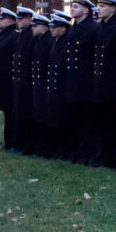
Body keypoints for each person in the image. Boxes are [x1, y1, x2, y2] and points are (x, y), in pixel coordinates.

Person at [91, 0, 116, 168]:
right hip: (101, 83)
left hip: (113, 84)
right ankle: (102, 155)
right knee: (102, 122)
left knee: (113, 123)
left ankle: (113, 157)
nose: (99, 9)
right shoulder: (102, 28)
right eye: (99, 6)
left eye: (103, 6)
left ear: (112, 9)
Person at [65, 0, 100, 164]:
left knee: (87, 121)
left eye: (76, 7)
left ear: (86, 10)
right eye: (72, 6)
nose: (72, 9)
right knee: (76, 118)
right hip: (74, 81)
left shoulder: (92, 29)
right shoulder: (74, 28)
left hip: (86, 81)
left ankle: (88, 153)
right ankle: (78, 150)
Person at [0, 7, 19, 149]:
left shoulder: (14, 36)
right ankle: (8, 140)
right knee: (6, 112)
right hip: (1, 80)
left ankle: (12, 141)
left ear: (11, 20)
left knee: (11, 112)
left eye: (2, 18)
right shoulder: (2, 35)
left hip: (9, 80)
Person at [44, 14, 73, 159]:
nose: (51, 29)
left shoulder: (66, 42)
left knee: (62, 119)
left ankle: (63, 150)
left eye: (54, 27)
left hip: (62, 86)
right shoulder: (56, 42)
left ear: (63, 28)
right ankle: (56, 148)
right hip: (54, 86)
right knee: (54, 117)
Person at [11, 6, 37, 153]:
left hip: (26, 80)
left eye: (21, 19)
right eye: (17, 19)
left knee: (26, 113)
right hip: (19, 81)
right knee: (18, 112)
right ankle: (19, 142)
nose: (18, 21)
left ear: (29, 19)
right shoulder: (21, 35)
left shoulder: (30, 35)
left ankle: (26, 144)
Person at [30, 13, 54, 157]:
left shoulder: (48, 42)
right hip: (38, 84)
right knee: (38, 115)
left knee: (44, 116)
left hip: (45, 84)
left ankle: (45, 147)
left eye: (35, 26)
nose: (32, 28)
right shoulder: (39, 41)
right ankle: (39, 146)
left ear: (44, 27)